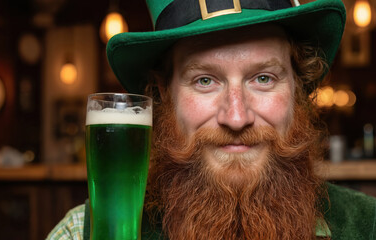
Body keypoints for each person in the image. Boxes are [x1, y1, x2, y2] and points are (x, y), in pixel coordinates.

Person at [47, 0, 376, 239]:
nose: (236, 117)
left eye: (263, 78)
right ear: (165, 95)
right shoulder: (82, 231)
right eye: (204, 80)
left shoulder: (367, 226)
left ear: (298, 89)